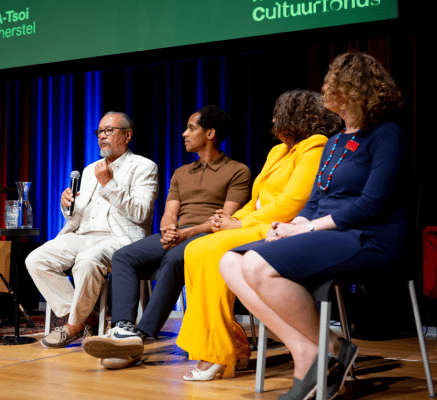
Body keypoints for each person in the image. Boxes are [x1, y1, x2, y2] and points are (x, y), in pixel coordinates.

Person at [220, 52, 407, 400]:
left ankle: (314, 357)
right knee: (229, 262)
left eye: (332, 82)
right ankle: (322, 348)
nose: (324, 89)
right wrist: (289, 225)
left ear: (354, 89)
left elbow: (371, 204)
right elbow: (316, 201)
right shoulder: (335, 141)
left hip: (370, 237)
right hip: (328, 232)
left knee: (257, 264)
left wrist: (305, 230)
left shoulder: (387, 135)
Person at [176, 90, 341, 381]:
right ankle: (224, 345)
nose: (273, 119)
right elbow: (257, 199)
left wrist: (238, 226)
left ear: (295, 116)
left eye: (280, 113)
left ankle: (217, 354)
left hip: (284, 228)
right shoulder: (277, 151)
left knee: (213, 249)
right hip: (255, 223)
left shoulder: (315, 146)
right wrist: (232, 218)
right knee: (195, 249)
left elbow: (291, 203)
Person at [81, 105, 252, 369]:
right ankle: (123, 328)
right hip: (180, 234)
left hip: (207, 237)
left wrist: (186, 233)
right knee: (123, 256)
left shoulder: (237, 171)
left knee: (173, 259)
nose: (184, 133)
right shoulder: (182, 173)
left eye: (191, 128)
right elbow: (170, 212)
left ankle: (140, 337)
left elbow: (223, 221)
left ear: (210, 134)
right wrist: (169, 228)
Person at [26, 111, 159, 348]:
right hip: (83, 235)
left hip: (121, 239)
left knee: (87, 261)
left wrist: (109, 184)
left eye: (109, 131)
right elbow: (79, 215)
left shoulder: (144, 167)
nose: (102, 137)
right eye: (99, 132)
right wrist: (67, 205)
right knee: (36, 259)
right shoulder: (90, 170)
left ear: (127, 135)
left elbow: (141, 213)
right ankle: (88, 318)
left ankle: (73, 326)